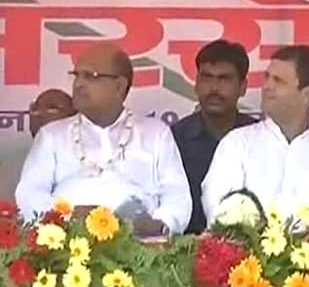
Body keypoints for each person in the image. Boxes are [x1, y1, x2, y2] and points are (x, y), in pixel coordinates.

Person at [15, 43, 192, 234]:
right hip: (67, 246)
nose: (79, 84)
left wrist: (161, 225)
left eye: (91, 76)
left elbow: (177, 196)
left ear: (119, 86)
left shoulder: (156, 134)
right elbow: (29, 194)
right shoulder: (51, 136)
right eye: (77, 75)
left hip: (141, 250)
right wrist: (68, 217)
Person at [201, 45, 309, 222]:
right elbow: (218, 209)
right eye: (267, 77)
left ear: (306, 94)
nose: (267, 86)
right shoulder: (238, 143)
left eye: (278, 81)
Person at [172, 40, 257, 234]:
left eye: (224, 79)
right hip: (183, 249)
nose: (214, 88)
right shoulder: (174, 139)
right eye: (207, 78)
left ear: (243, 86)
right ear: (196, 84)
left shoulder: (258, 138)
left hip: (249, 253)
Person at [0, 89, 76, 202]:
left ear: (74, 115)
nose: (39, 114)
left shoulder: (86, 158)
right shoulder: (10, 161)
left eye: (52, 108)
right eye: (35, 108)